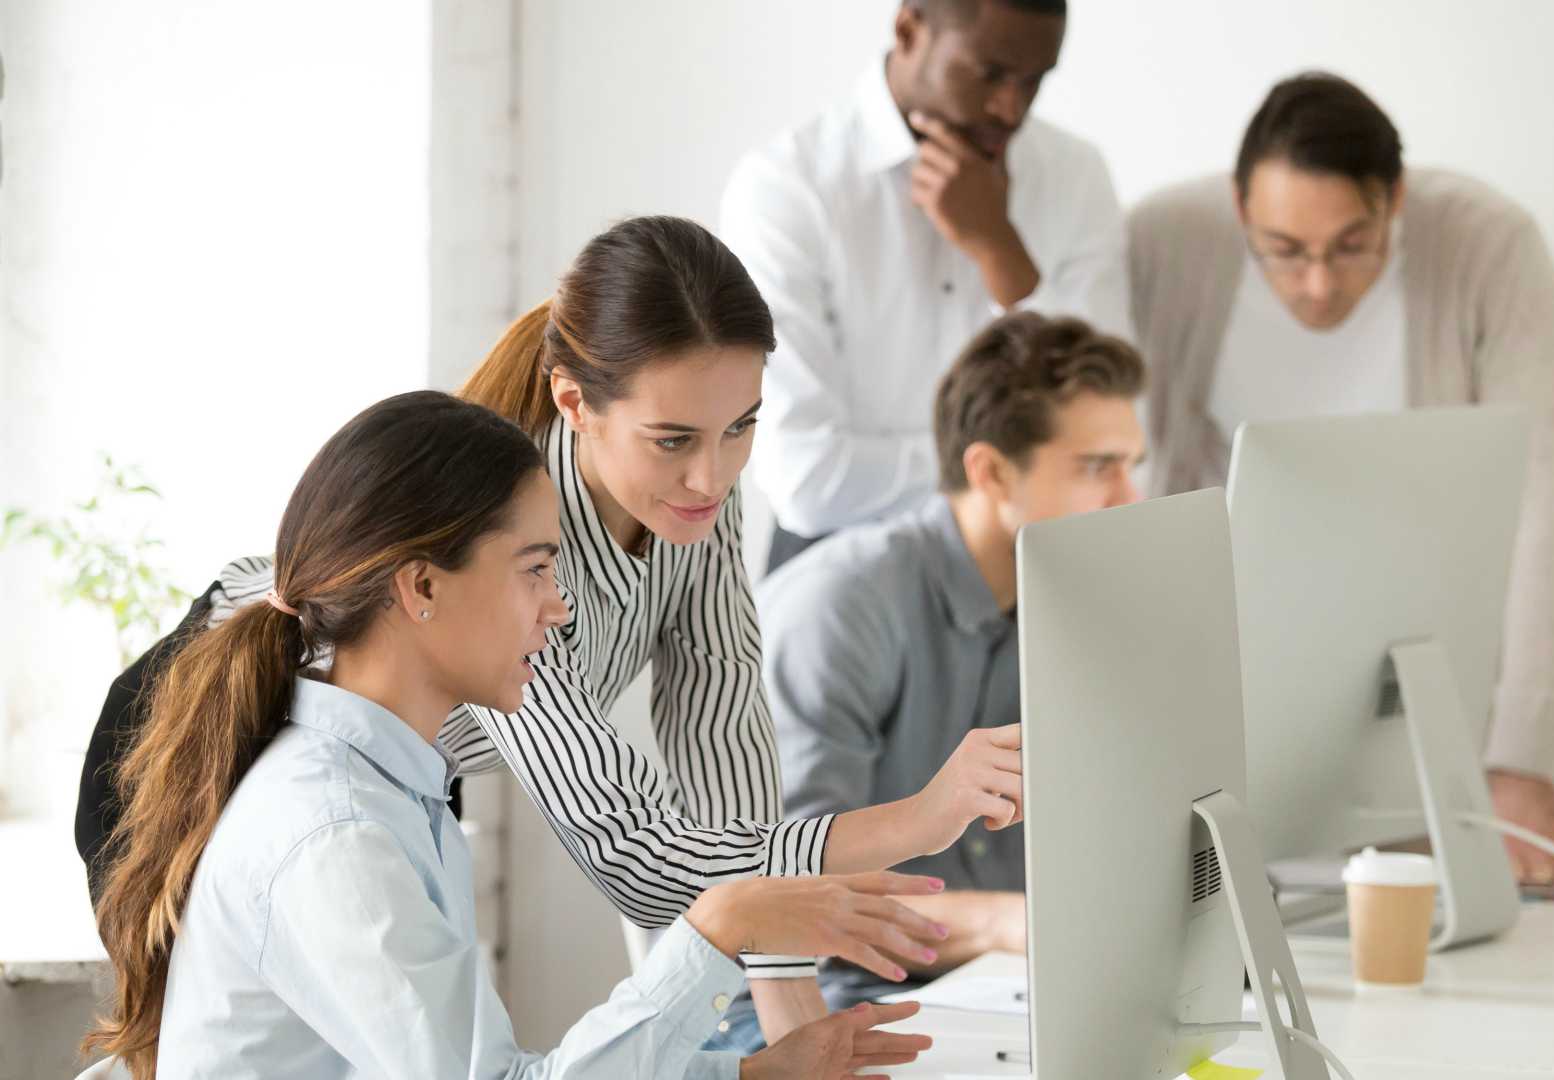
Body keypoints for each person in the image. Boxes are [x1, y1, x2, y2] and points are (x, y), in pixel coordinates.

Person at [76, 217, 1025, 1046]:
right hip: (189, 750)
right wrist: (916, 819)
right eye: (673, 439)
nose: (713, 475)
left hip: (396, 781)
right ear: (575, 404)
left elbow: (721, 739)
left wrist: (791, 1010)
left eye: (742, 427)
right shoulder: (522, 549)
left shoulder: (694, 498)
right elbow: (643, 860)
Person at [82, 391, 945, 1079]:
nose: (559, 607)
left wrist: (754, 1076)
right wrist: (717, 929)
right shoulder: (334, 834)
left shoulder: (395, 791)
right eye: (535, 569)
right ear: (422, 587)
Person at [1128, 72, 1554, 886]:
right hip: (1220, 694)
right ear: (1240, 208)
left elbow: (1549, 499)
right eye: (1285, 251)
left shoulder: (1488, 243)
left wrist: (1521, 754)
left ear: (1395, 202)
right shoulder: (1163, 241)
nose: (1318, 284)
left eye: (1352, 247)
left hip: (1414, 685)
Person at [720, 313, 1145, 1042]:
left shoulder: (1076, 602)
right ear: (991, 472)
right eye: (1096, 466)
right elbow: (792, 897)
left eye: (1131, 464)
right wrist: (1011, 923)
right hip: (803, 1012)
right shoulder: (843, 606)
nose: (1129, 498)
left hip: (995, 997)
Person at [720, 0, 1129, 572]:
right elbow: (806, 477)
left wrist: (1002, 254)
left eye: (1034, 80)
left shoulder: (1075, 175)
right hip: (842, 573)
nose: (1011, 108)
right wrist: (1014, 468)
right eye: (990, 73)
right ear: (909, 29)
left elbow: (1106, 426)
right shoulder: (787, 190)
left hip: (1034, 570)